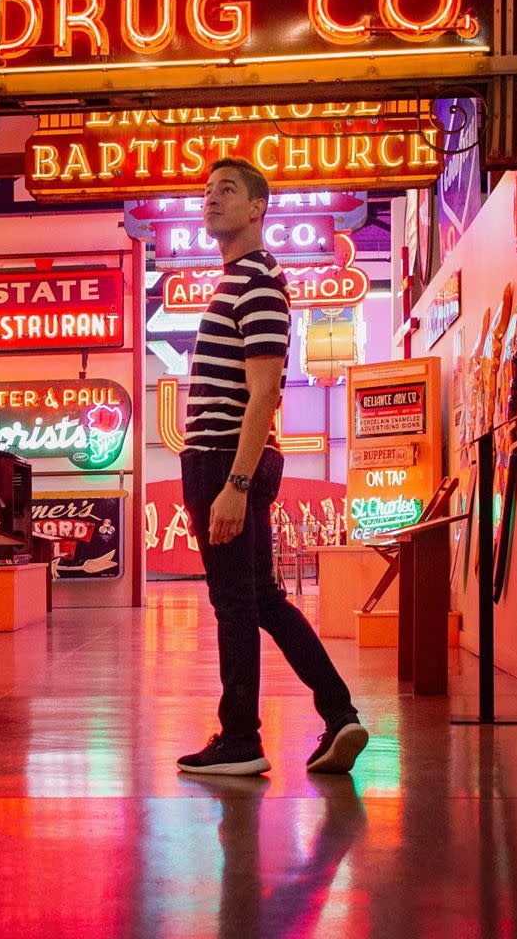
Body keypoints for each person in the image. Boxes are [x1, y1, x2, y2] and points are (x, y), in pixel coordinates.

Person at [176, 157, 368, 777]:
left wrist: (232, 484)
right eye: (207, 191)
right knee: (261, 599)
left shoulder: (256, 285)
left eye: (226, 190)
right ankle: (339, 713)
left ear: (258, 207)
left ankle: (240, 738)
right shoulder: (242, 281)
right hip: (227, 459)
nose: (211, 199)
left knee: (234, 603)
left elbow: (264, 393)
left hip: (224, 460)